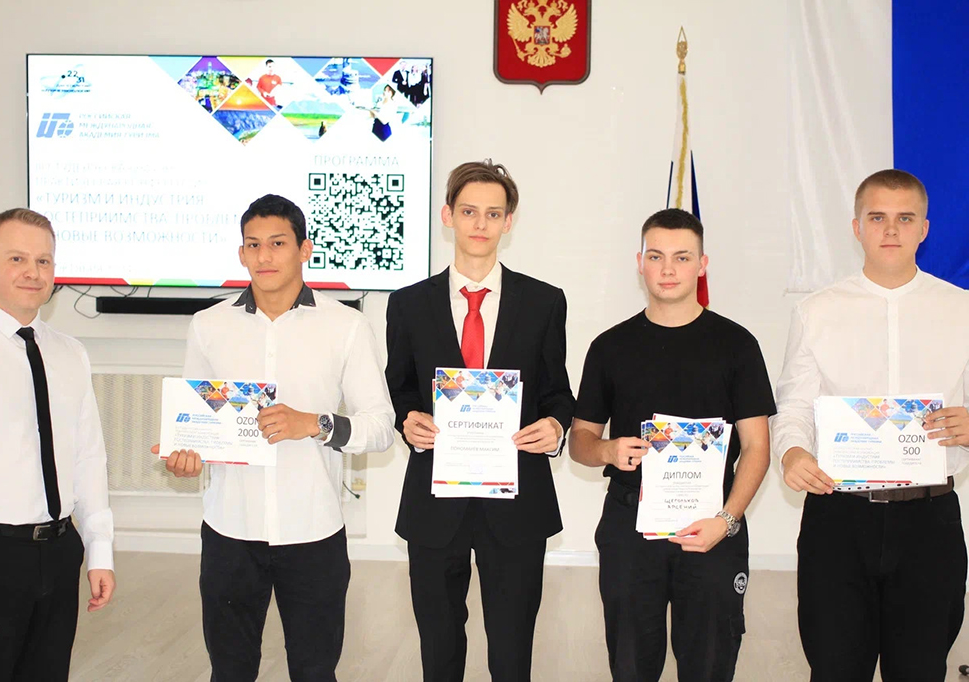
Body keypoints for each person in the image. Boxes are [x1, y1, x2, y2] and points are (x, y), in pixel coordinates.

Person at [156, 193, 395, 682]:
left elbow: (381, 427)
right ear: (241, 253)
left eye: (278, 243)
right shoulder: (208, 326)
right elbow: (196, 423)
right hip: (229, 530)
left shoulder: (347, 326)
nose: (264, 256)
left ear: (304, 249)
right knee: (230, 670)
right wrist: (186, 456)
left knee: (314, 671)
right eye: (253, 244)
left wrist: (316, 424)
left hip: (312, 532)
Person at [772, 169, 969, 682]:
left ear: (924, 229)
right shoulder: (816, 311)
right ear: (856, 227)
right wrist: (792, 452)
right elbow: (794, 406)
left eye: (905, 218)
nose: (891, 229)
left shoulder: (963, 311)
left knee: (921, 671)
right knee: (835, 670)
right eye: (877, 217)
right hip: (838, 519)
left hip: (929, 522)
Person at [385, 160, 575, 681]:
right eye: (469, 211)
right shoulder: (407, 305)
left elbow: (558, 392)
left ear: (508, 222)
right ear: (448, 215)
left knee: (512, 650)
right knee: (439, 647)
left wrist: (556, 426)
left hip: (517, 501)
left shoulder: (544, 302)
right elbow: (399, 387)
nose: (480, 223)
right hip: (434, 500)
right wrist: (407, 419)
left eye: (493, 214)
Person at [569, 208, 776, 682]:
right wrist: (607, 450)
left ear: (702, 264)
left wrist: (726, 520)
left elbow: (757, 448)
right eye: (656, 256)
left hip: (712, 524)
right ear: (639, 262)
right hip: (630, 525)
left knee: (709, 663)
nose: (667, 269)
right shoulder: (610, 346)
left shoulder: (737, 345)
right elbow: (580, 439)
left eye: (682, 257)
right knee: (630, 664)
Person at [0, 208, 116, 680]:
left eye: (44, 261)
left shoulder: (70, 353)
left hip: (59, 552)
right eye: (17, 258)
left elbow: (89, 457)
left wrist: (99, 550)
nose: (32, 272)